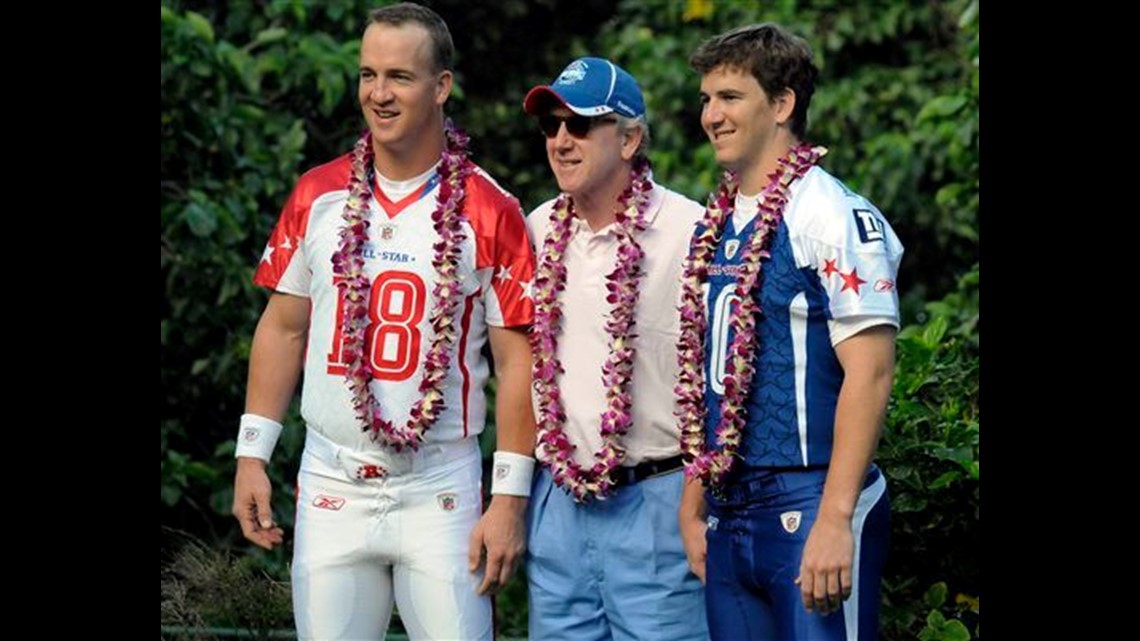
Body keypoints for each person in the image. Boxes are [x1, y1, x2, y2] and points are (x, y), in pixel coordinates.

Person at [230, 4, 537, 639]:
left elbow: (516, 363)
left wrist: (508, 496)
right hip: (330, 477)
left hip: (440, 485)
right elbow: (285, 327)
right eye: (368, 74)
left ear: (441, 87)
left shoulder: (491, 208)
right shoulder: (318, 193)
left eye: (398, 76)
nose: (378, 92)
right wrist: (251, 454)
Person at [676, 23, 904, 641]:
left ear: (782, 105)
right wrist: (694, 503)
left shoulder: (828, 212)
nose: (711, 116)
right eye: (706, 99)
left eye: (729, 97)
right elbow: (714, 367)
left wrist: (835, 517)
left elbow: (872, 370)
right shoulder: (717, 220)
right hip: (730, 504)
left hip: (810, 498)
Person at [522, 57, 709, 641]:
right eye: (551, 126)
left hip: (658, 504)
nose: (560, 141)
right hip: (556, 502)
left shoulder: (691, 231)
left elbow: (723, 386)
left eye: (579, 126)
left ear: (630, 139)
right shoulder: (536, 228)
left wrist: (695, 507)